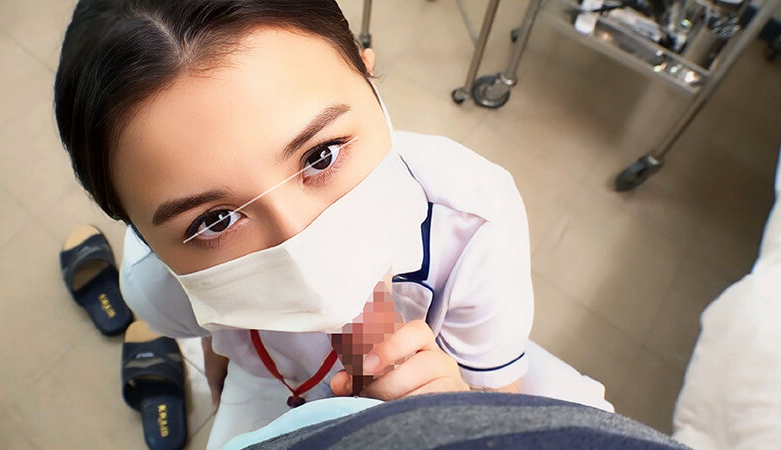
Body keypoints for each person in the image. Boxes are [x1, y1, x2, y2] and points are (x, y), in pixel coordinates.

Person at [54, 0, 569, 447]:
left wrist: (453, 412)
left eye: (321, 155)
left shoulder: (474, 223)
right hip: (266, 385)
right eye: (215, 220)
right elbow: (211, 340)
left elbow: (499, 392)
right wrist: (220, 364)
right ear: (142, 233)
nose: (301, 242)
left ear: (367, 76)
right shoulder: (155, 286)